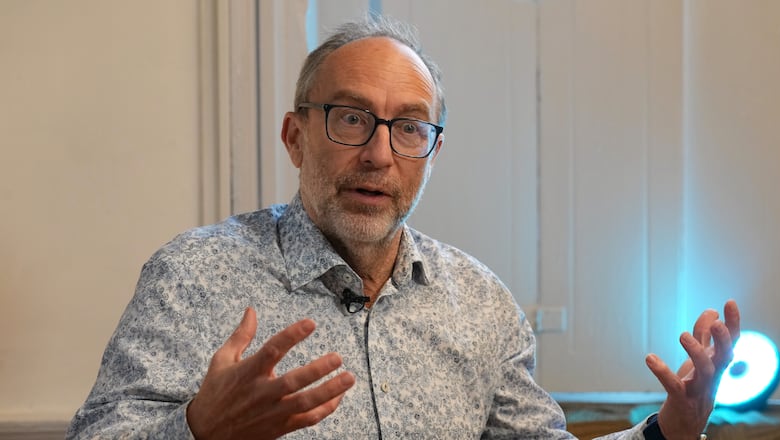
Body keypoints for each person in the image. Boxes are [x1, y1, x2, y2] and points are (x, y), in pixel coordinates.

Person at [67, 16, 740, 440]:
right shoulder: (194, 275)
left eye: (409, 128)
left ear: (433, 153)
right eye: (351, 118)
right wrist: (198, 431)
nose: (379, 154)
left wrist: (670, 431)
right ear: (295, 136)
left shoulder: (481, 304)